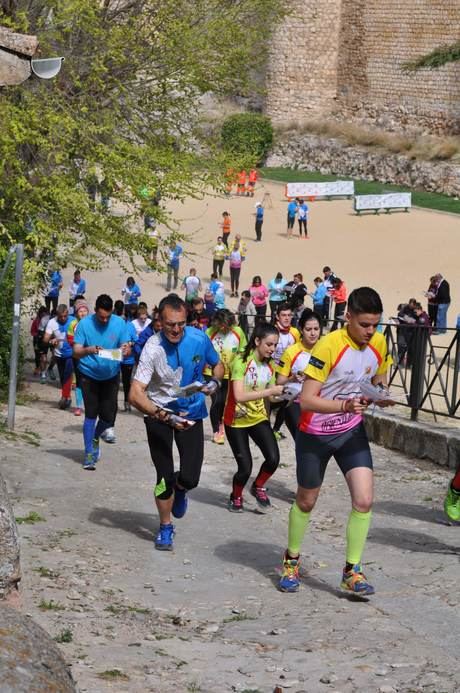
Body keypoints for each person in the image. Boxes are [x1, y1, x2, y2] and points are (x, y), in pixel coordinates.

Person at [278, 287, 394, 595]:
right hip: (315, 434)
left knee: (364, 500)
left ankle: (351, 571)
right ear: (348, 317)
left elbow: (379, 377)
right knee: (306, 501)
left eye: (375, 325)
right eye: (364, 325)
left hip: (351, 432)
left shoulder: (379, 342)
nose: (371, 331)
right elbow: (307, 400)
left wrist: (381, 394)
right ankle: (291, 561)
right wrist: (343, 404)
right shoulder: (329, 346)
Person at [128, 294, 224, 551]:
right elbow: (135, 393)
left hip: (191, 413)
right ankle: (165, 526)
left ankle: (180, 488)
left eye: (181, 323)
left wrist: (215, 383)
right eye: (170, 323)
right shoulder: (152, 347)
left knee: (191, 477)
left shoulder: (199, 338)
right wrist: (164, 415)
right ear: (159, 320)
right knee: (162, 475)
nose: (176, 329)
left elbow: (218, 365)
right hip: (159, 414)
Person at [223, 322, 284, 512]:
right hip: (236, 420)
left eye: (275, 345)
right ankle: (236, 496)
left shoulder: (270, 366)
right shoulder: (241, 361)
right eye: (269, 344)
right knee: (245, 468)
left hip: (258, 418)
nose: (272, 349)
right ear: (257, 341)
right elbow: (239, 396)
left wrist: (289, 392)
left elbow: (271, 396)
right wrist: (270, 392)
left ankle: (258, 486)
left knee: (273, 459)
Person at [73, 294, 131, 470]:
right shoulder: (84, 324)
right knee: (91, 413)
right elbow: (76, 351)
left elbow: (127, 346)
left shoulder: (120, 323)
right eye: (101, 316)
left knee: (108, 416)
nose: (104, 320)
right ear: (95, 311)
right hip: (88, 374)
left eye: (107, 316)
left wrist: (126, 349)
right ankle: (89, 453)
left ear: (112, 311)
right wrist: (89, 350)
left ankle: (96, 436)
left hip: (111, 375)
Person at [276, 309, 322, 440]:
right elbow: (279, 381)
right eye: (308, 329)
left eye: (316, 329)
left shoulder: (326, 349)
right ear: (301, 330)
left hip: (319, 401)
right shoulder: (291, 352)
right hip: (295, 401)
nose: (313, 333)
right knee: (302, 441)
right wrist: (293, 377)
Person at [205, 309, 247, 444]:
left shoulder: (238, 332)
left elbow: (243, 351)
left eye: (225, 325)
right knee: (216, 400)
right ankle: (216, 431)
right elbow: (203, 351)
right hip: (212, 373)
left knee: (226, 401)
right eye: (220, 324)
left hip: (230, 373)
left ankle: (223, 424)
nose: (222, 327)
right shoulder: (209, 332)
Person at [271, 303, 300, 440]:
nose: (287, 318)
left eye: (289, 315)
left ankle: (275, 429)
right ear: (277, 316)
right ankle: (263, 427)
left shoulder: (295, 332)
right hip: (272, 372)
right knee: (269, 401)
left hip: (288, 374)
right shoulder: (272, 331)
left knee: (285, 403)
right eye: (283, 315)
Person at [43, 304, 75, 410]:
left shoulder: (74, 321)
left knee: (68, 374)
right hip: (59, 354)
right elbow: (45, 339)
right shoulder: (52, 322)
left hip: (72, 353)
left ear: (67, 313)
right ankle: (67, 396)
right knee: (62, 377)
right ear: (57, 315)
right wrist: (51, 339)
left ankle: (64, 397)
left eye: (65, 316)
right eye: (60, 316)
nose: (63, 318)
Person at [113, 300, 138, 412]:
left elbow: (136, 340)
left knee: (127, 382)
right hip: (115, 357)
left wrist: (129, 344)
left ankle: (127, 403)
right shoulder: (113, 324)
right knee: (114, 382)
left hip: (128, 359)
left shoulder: (130, 326)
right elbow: (110, 338)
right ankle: (113, 403)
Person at [67, 299, 90, 416]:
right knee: (80, 381)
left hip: (90, 357)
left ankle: (91, 405)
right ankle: (79, 406)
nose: (82, 313)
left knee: (90, 381)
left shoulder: (92, 323)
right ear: (76, 313)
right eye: (80, 311)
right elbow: (69, 338)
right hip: (77, 356)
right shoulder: (73, 324)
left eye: (84, 311)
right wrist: (78, 345)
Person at [30, 306, 48, 377]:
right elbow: (32, 331)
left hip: (45, 340)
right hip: (37, 340)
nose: (43, 315)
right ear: (39, 314)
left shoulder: (48, 321)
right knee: (37, 355)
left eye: (45, 314)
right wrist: (37, 335)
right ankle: (37, 368)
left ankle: (43, 370)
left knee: (44, 355)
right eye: (42, 314)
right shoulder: (36, 321)